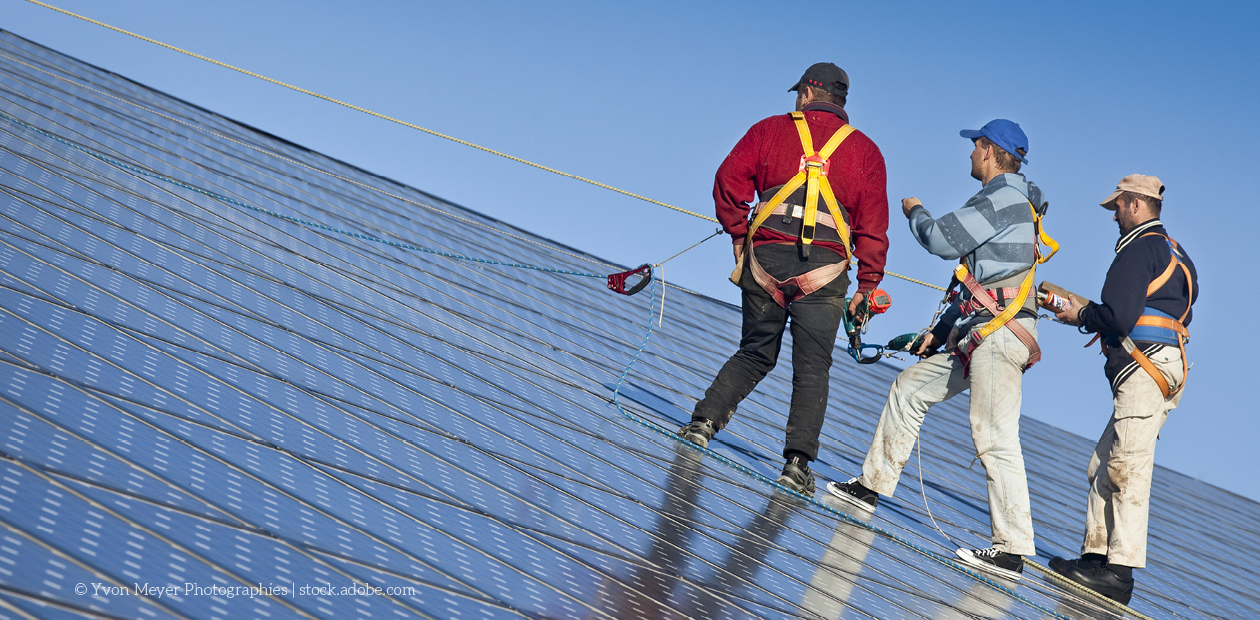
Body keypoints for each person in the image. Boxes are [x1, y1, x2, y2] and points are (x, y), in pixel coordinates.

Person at [827, 119, 1049, 581]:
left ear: (989, 150)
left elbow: (940, 240)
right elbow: (971, 280)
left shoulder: (1004, 198)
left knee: (993, 433)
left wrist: (915, 210)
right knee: (910, 387)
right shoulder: (1008, 201)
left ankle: (1012, 549)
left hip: (998, 335)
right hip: (979, 332)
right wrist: (940, 330)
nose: (970, 154)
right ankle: (872, 486)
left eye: (975, 147)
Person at [677, 62, 889, 496]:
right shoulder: (866, 152)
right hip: (825, 274)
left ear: (809, 92)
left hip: (765, 263)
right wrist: (867, 285)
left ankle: (702, 425)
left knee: (755, 353)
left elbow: (727, 182)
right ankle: (796, 466)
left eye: (799, 92)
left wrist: (739, 235)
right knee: (813, 370)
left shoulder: (770, 129)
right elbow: (873, 227)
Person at [1048, 175, 1197, 605]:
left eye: (1117, 206)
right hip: (1165, 368)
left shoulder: (1138, 248)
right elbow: (1179, 304)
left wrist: (1080, 314)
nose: (1113, 215)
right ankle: (1095, 559)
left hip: (1144, 372)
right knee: (1102, 466)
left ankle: (1119, 574)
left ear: (1135, 205)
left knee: (1127, 469)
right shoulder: (1177, 253)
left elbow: (1118, 315)